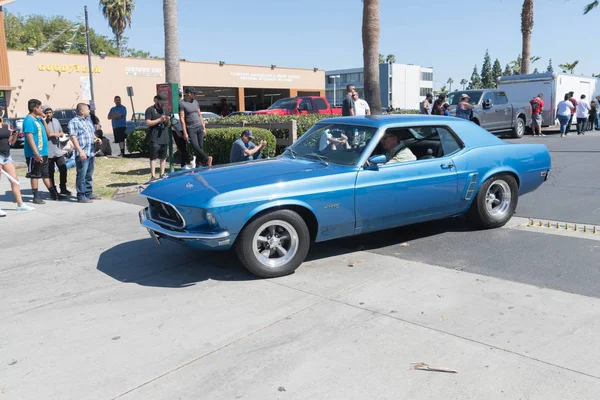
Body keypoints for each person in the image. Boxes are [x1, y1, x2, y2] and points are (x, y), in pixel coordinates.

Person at [23, 98, 60, 204]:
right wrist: (36, 153)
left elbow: (48, 133)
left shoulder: (38, 120)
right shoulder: (28, 120)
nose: (42, 109)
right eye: (40, 107)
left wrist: (44, 120)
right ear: (35, 109)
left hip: (43, 152)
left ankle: (53, 194)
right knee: (35, 174)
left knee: (45, 174)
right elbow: (29, 137)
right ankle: (35, 197)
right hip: (34, 154)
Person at [0, 116, 35, 216]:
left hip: (6, 156)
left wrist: (14, 134)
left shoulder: (5, 125)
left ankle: (20, 204)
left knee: (15, 180)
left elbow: (11, 142)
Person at [69, 103, 101, 203]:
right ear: (82, 111)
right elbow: (73, 137)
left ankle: (88, 193)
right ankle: (81, 195)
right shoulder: (74, 122)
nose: (89, 111)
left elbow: (90, 133)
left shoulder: (87, 121)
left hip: (90, 152)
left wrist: (96, 139)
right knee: (81, 175)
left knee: (89, 174)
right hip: (82, 153)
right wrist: (80, 151)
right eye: (87, 109)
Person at [179, 87, 212, 167]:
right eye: (194, 93)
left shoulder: (195, 102)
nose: (195, 95)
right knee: (195, 146)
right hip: (191, 128)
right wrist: (185, 133)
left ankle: (199, 164)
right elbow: (182, 119)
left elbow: (199, 115)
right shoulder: (182, 103)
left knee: (200, 147)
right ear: (189, 93)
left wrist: (203, 127)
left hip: (199, 127)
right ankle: (207, 158)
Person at [43, 105, 70, 198]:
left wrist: (62, 136)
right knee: (50, 173)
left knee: (63, 169)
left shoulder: (56, 121)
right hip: (48, 152)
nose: (48, 114)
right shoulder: (42, 123)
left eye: (50, 112)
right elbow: (45, 135)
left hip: (58, 150)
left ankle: (63, 187)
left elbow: (61, 132)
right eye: (46, 113)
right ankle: (53, 191)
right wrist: (56, 134)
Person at [145, 94, 171, 180]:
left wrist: (167, 120)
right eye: (161, 102)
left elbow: (168, 125)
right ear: (157, 101)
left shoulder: (165, 110)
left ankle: (162, 174)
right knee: (153, 157)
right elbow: (148, 123)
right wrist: (159, 119)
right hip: (154, 136)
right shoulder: (150, 110)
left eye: (164, 103)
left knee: (163, 157)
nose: (163, 104)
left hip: (164, 136)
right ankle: (153, 175)